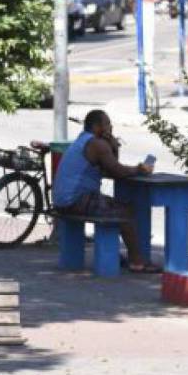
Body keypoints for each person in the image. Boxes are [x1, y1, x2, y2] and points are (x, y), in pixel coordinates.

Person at [52, 110, 161, 273]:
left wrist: (114, 147)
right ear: (97, 126)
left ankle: (119, 254)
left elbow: (109, 167)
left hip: (62, 201)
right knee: (125, 212)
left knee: (116, 207)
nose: (111, 127)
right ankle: (137, 262)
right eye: (108, 124)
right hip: (76, 200)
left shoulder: (82, 140)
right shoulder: (97, 144)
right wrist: (139, 169)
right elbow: (117, 171)